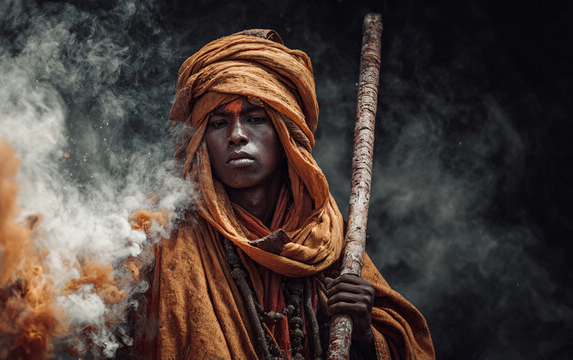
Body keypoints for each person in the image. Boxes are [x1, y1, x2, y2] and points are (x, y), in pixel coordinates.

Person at [132, 29, 435, 359]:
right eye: (219, 123)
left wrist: (362, 330)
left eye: (255, 119)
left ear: (285, 134)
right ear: (201, 143)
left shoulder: (324, 234)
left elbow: (407, 349)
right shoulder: (157, 234)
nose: (236, 136)